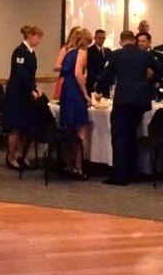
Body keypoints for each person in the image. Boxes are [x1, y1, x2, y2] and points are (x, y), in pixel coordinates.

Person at [104, 31, 155, 185]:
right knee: (132, 136)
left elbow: (107, 75)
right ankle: (133, 171)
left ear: (121, 41)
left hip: (123, 100)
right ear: (133, 40)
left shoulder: (117, 55)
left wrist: (100, 87)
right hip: (140, 101)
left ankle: (120, 175)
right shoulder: (144, 55)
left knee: (120, 137)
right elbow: (161, 68)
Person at [1, 24, 46, 170]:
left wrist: (35, 87)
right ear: (30, 36)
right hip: (16, 95)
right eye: (38, 37)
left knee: (27, 127)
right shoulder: (20, 52)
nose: (39, 41)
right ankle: (11, 157)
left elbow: (31, 76)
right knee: (15, 127)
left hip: (26, 95)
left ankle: (23, 156)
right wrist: (31, 89)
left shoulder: (31, 53)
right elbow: (20, 74)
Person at [56, 27, 92, 179]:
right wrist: (86, 94)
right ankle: (79, 166)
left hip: (66, 89)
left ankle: (68, 164)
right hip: (75, 90)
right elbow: (78, 73)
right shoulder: (81, 52)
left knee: (68, 128)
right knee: (82, 129)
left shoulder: (68, 52)